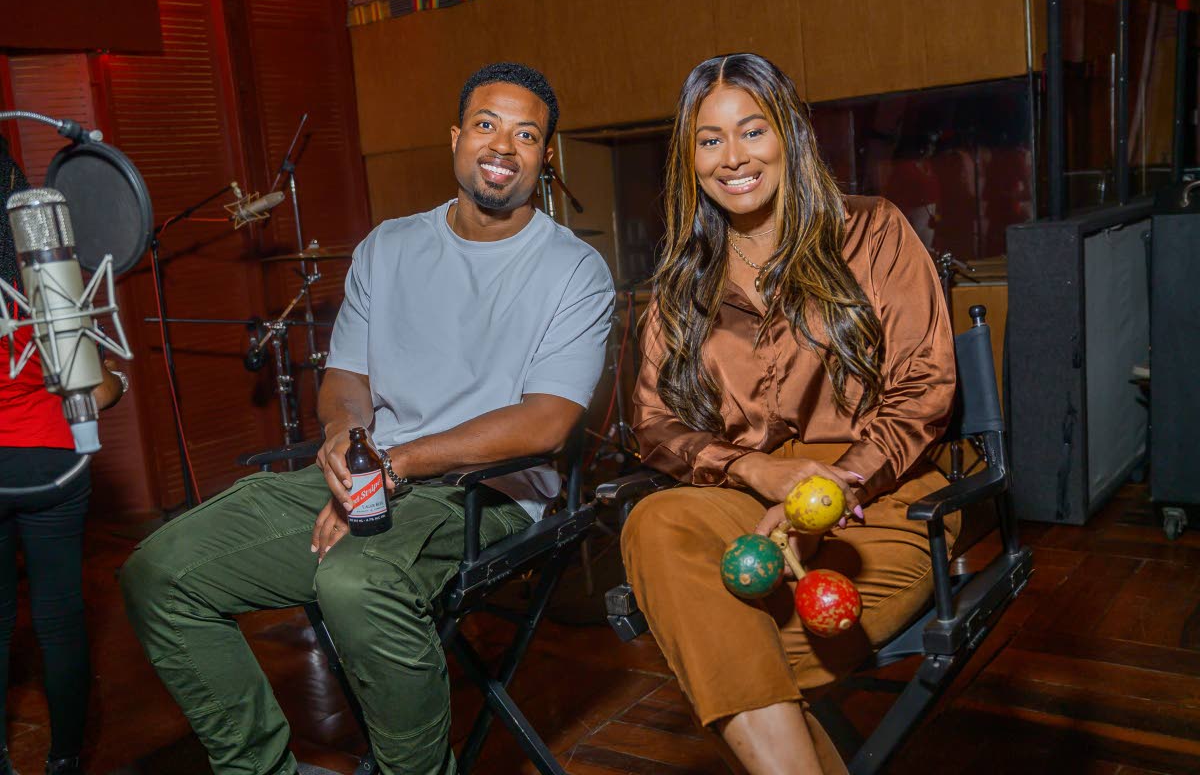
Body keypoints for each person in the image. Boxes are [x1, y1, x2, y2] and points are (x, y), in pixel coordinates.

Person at [120, 62, 615, 775]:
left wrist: (394, 465)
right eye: (486, 124)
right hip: (374, 470)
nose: (503, 145)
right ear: (455, 138)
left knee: (355, 581)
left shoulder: (573, 270)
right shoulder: (389, 247)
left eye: (526, 134)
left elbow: (545, 423)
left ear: (545, 156)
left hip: (491, 496)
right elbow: (348, 376)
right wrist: (346, 437)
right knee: (161, 572)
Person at [620, 53, 956, 775]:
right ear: (689, 158)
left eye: (752, 130)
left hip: (881, 503)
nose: (733, 157)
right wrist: (751, 470)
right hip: (747, 502)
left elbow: (923, 388)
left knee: (719, 652)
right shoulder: (680, 284)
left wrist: (834, 487)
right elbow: (654, 423)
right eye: (710, 140)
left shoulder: (872, 232)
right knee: (654, 521)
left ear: (790, 136)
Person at [0, 135, 128, 775]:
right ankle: (66, 761)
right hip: (51, 463)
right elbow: (95, 390)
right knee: (59, 618)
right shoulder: (46, 279)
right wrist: (118, 379)